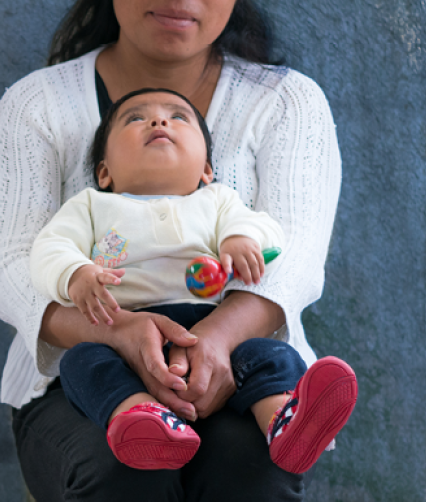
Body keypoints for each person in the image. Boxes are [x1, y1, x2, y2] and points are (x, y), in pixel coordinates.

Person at [0, 0, 343, 500]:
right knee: (124, 472)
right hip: (79, 378)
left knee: (251, 474)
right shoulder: (36, 106)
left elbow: (295, 259)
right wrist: (117, 331)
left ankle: (285, 418)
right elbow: (15, 274)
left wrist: (215, 341)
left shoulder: (287, 104)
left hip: (236, 366)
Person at [28, 87, 356, 474]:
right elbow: (49, 249)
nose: (158, 121)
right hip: (125, 335)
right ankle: (137, 417)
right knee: (81, 363)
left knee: (271, 355)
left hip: (213, 336)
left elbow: (268, 232)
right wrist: (76, 273)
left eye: (178, 117)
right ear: (104, 172)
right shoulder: (91, 206)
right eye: (135, 118)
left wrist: (240, 240)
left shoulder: (218, 202)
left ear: (206, 170)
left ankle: (283, 422)